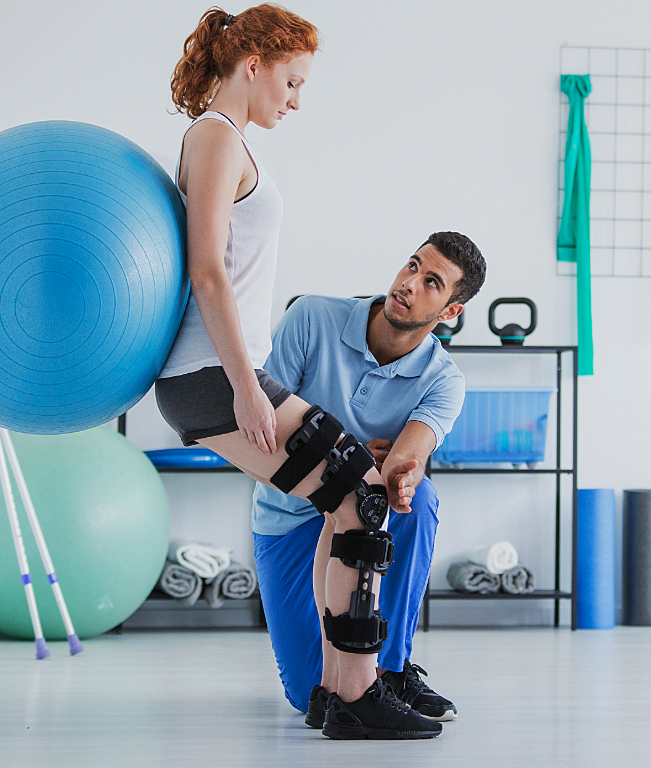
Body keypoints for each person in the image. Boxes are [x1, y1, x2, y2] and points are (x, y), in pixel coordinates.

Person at [156, 5, 445, 739]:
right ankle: (354, 694)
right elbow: (207, 273)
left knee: (350, 499)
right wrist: (249, 387)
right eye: (291, 80)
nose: (295, 98)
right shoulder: (216, 138)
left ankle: (333, 691)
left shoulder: (225, 139)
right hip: (213, 373)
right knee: (362, 497)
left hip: (216, 372)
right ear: (252, 67)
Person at [252, 232, 486, 727]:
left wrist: (394, 466)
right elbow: (260, 432)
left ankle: (393, 672)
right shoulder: (312, 318)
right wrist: (353, 452)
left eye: (431, 282)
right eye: (411, 266)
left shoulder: (444, 380)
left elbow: (407, 458)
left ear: (450, 313)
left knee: (415, 497)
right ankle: (368, 676)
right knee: (310, 692)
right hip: (288, 519)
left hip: (365, 518)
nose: (408, 284)